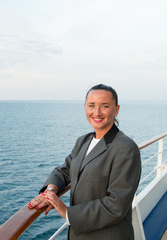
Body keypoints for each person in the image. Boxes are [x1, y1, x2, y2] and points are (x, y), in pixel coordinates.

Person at [28, 84, 141, 240]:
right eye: (91, 105)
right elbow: (64, 170)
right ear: (85, 107)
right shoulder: (83, 141)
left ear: (116, 109)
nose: (97, 112)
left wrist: (66, 212)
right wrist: (51, 191)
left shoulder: (126, 148)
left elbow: (116, 205)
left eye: (105, 106)